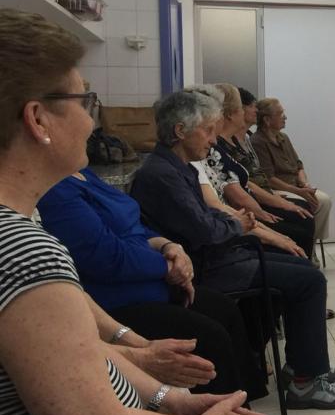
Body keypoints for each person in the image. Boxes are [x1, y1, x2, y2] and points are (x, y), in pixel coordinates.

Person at [0, 9, 313, 415]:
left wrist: (170, 398)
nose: (93, 121)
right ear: (38, 120)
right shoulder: (21, 247)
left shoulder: (25, 224)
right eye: (84, 102)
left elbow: (81, 346)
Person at [131, 90, 335, 410]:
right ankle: (305, 383)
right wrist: (239, 225)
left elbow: (208, 219)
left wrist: (236, 225)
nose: (213, 140)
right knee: (310, 282)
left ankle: (301, 367)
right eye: (208, 131)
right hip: (209, 267)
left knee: (305, 269)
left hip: (220, 256)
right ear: (180, 131)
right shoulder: (163, 175)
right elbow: (207, 230)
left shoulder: (178, 167)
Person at [37, 168, 268, 402]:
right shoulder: (55, 192)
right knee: (209, 336)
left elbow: (136, 227)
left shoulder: (85, 174)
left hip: (154, 279)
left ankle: (244, 405)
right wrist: (169, 268)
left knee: (224, 309)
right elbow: (107, 257)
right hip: (119, 299)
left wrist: (169, 247)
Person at [213, 84, 316, 257]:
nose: (255, 111)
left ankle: (307, 260)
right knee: (301, 223)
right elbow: (241, 191)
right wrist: (265, 214)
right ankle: (304, 262)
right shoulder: (219, 148)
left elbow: (297, 165)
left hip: (256, 202)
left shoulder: (239, 141)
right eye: (244, 108)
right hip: (244, 211)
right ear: (230, 114)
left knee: (304, 213)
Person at [252, 98, 332, 241]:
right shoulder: (258, 142)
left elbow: (298, 165)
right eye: (280, 113)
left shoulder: (283, 137)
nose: (285, 117)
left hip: (296, 186)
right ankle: (305, 242)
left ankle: (310, 242)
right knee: (305, 204)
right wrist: (298, 191)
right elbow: (269, 178)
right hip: (278, 189)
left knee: (324, 201)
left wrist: (304, 184)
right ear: (267, 120)